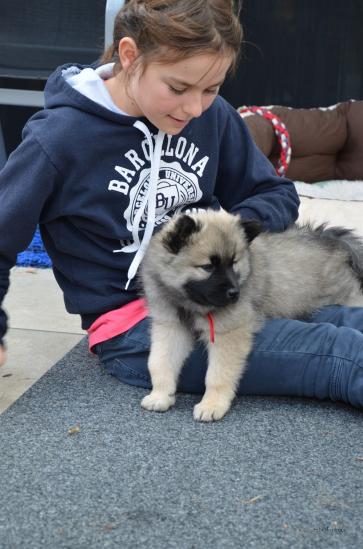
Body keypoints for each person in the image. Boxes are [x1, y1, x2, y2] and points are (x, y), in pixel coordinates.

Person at [0, 0, 362, 409]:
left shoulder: (214, 118)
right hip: (137, 327)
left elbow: (275, 194)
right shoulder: (58, 140)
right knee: (341, 354)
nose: (194, 108)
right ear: (130, 56)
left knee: (349, 321)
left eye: (212, 89)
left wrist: (230, 232)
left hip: (228, 298)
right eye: (177, 88)